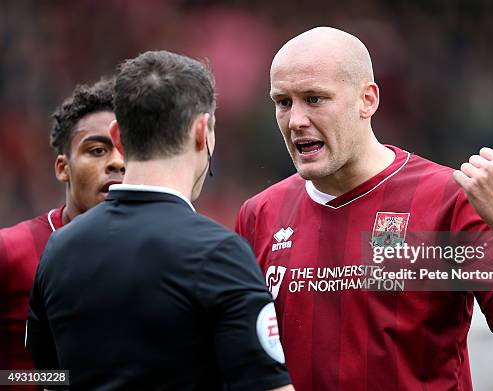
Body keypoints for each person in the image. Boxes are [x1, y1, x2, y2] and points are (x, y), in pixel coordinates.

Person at [236, 27, 493, 390]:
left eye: (314, 99)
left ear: (368, 99)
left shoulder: (449, 200)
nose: (295, 120)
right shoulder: (259, 215)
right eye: (283, 102)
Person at [27, 50, 293, 391]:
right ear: (202, 131)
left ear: (118, 136)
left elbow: (49, 380)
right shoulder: (219, 254)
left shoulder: (58, 249)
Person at [0, 78, 124, 390]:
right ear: (62, 168)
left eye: (128, 151)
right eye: (97, 150)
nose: (117, 163)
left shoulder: (159, 257)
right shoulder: (10, 251)